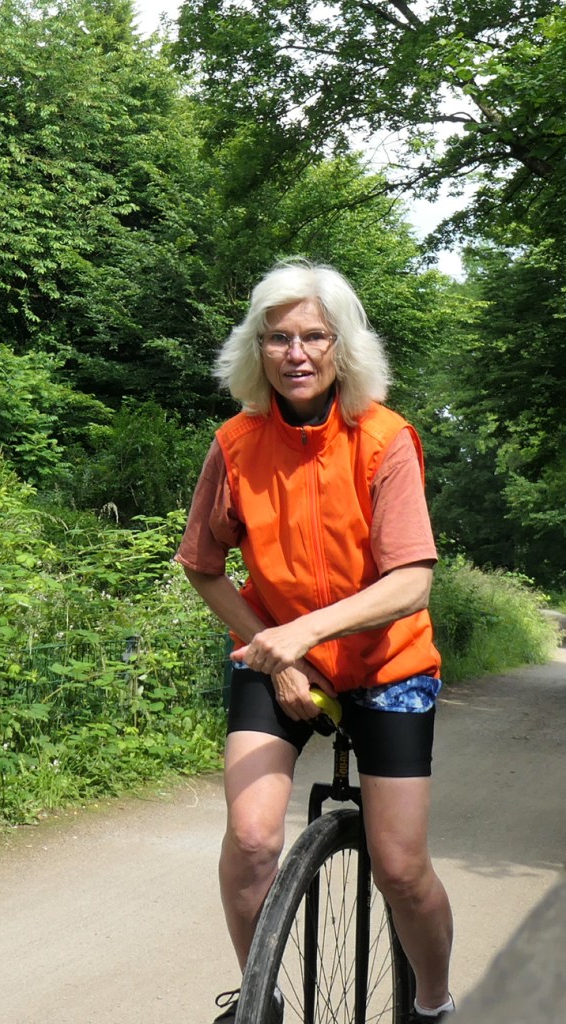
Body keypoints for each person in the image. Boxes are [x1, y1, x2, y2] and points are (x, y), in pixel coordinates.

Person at [175, 260, 454, 1024]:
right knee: (251, 839)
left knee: (400, 870)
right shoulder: (236, 444)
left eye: (312, 337)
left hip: (387, 664)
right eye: (277, 338)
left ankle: (432, 1003)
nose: (295, 353)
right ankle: (259, 998)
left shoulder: (385, 439)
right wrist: (279, 652)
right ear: (256, 349)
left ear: (341, 347)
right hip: (276, 655)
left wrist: (304, 632)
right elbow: (201, 565)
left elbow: (410, 581)